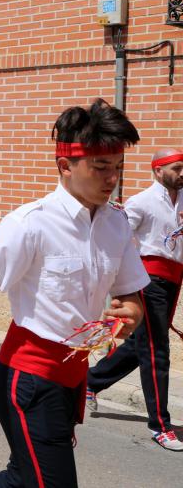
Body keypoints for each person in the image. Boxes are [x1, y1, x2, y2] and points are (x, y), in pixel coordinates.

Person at [0, 98, 149, 487]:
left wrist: (129, 317)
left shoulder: (117, 224)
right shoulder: (30, 224)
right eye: (100, 167)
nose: (111, 178)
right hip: (30, 376)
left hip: (74, 376)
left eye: (117, 168)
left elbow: (131, 296)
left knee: (24, 478)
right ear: (65, 165)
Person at [86, 147, 183, 451]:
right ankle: (160, 425)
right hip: (148, 279)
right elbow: (119, 239)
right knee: (157, 351)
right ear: (158, 170)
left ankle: (89, 382)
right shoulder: (141, 202)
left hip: (173, 279)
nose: (182, 174)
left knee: (142, 344)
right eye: (177, 168)